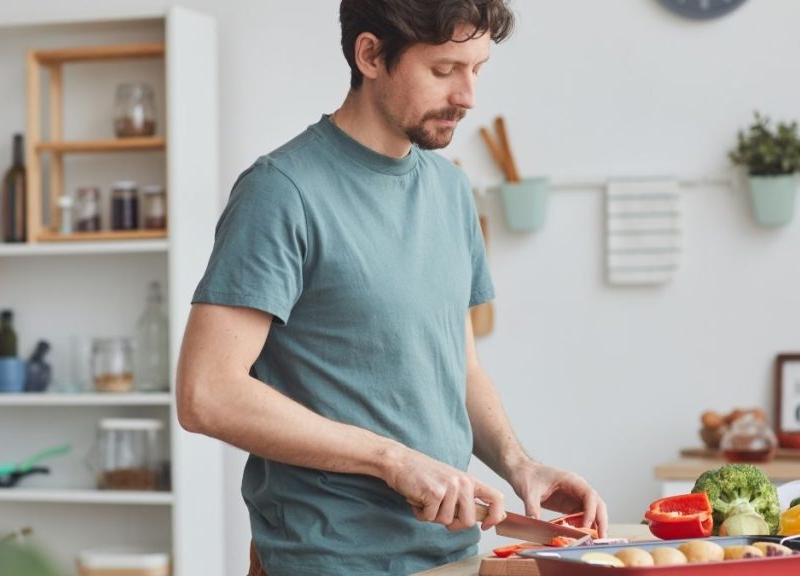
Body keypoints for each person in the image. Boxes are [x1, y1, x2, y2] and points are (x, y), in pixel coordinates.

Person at [176, 1, 608, 574]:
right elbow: (207, 394)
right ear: (371, 54)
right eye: (444, 69)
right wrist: (390, 460)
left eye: (477, 68)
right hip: (326, 559)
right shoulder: (281, 192)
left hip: (450, 555)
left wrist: (519, 463)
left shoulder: (451, 191)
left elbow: (461, 368)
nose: (468, 96)